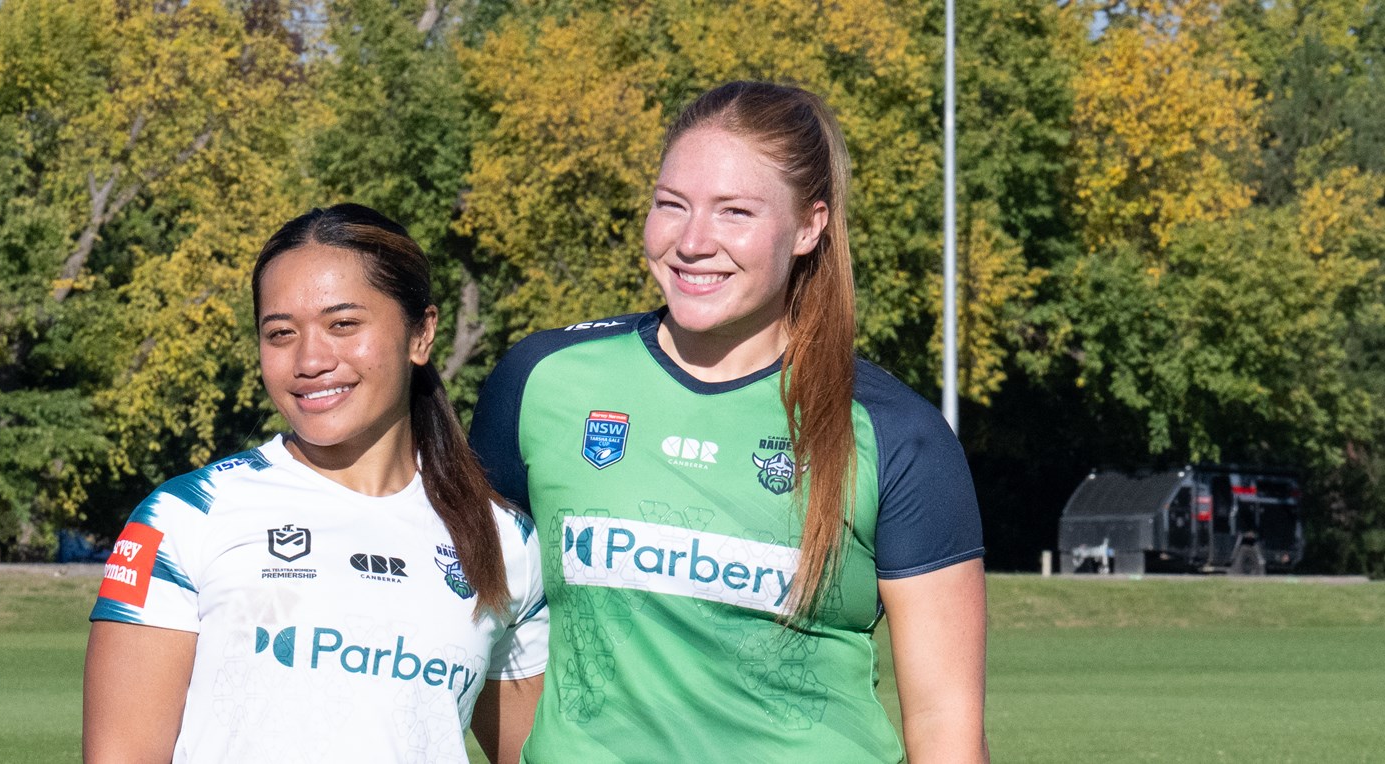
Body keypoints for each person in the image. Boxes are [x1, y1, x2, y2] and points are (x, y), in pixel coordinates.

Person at [469, 81, 988, 762]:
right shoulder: (541, 383)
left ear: (810, 226)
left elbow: (946, 729)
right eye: (670, 205)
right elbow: (475, 626)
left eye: (735, 212)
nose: (691, 241)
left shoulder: (897, 435)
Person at [84, 204, 548, 764]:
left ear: (421, 334)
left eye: (343, 325)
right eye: (280, 334)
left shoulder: (506, 542)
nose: (309, 359)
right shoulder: (187, 517)